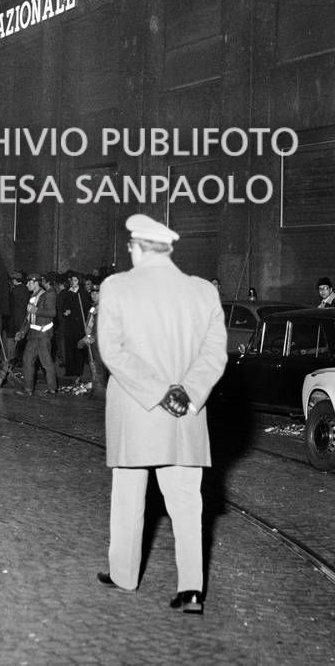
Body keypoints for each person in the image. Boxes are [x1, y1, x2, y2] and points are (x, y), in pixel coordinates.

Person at [96, 213, 227, 616]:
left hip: (137, 412)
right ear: (168, 250)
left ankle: (124, 574)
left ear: (137, 249)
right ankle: (191, 591)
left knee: (128, 495)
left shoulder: (117, 287)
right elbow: (214, 355)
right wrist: (187, 394)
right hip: (186, 415)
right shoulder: (204, 292)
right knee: (188, 503)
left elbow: (112, 352)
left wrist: (157, 393)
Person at [17, 272, 58, 396]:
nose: (27, 284)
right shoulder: (33, 296)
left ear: (35, 283)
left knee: (46, 363)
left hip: (43, 334)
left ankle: (52, 389)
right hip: (33, 335)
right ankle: (28, 389)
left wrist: (36, 310)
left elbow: (52, 313)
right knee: (27, 360)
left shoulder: (47, 295)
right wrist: (22, 332)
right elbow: (29, 318)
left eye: (29, 282)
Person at [57, 270, 91, 381]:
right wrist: (65, 312)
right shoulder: (68, 292)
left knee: (78, 348)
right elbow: (63, 306)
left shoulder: (83, 293)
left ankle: (78, 370)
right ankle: (70, 370)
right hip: (69, 325)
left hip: (79, 325)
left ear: (79, 282)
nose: (73, 282)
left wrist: (76, 314)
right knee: (69, 348)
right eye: (72, 280)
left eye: (75, 280)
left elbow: (85, 309)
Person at [78, 284, 106, 395]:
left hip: (99, 342)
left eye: (97, 293)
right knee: (93, 365)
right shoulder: (93, 307)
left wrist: (91, 337)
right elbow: (89, 324)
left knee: (99, 366)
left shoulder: (103, 308)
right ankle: (96, 387)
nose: (94, 295)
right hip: (92, 342)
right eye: (92, 293)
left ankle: (101, 390)